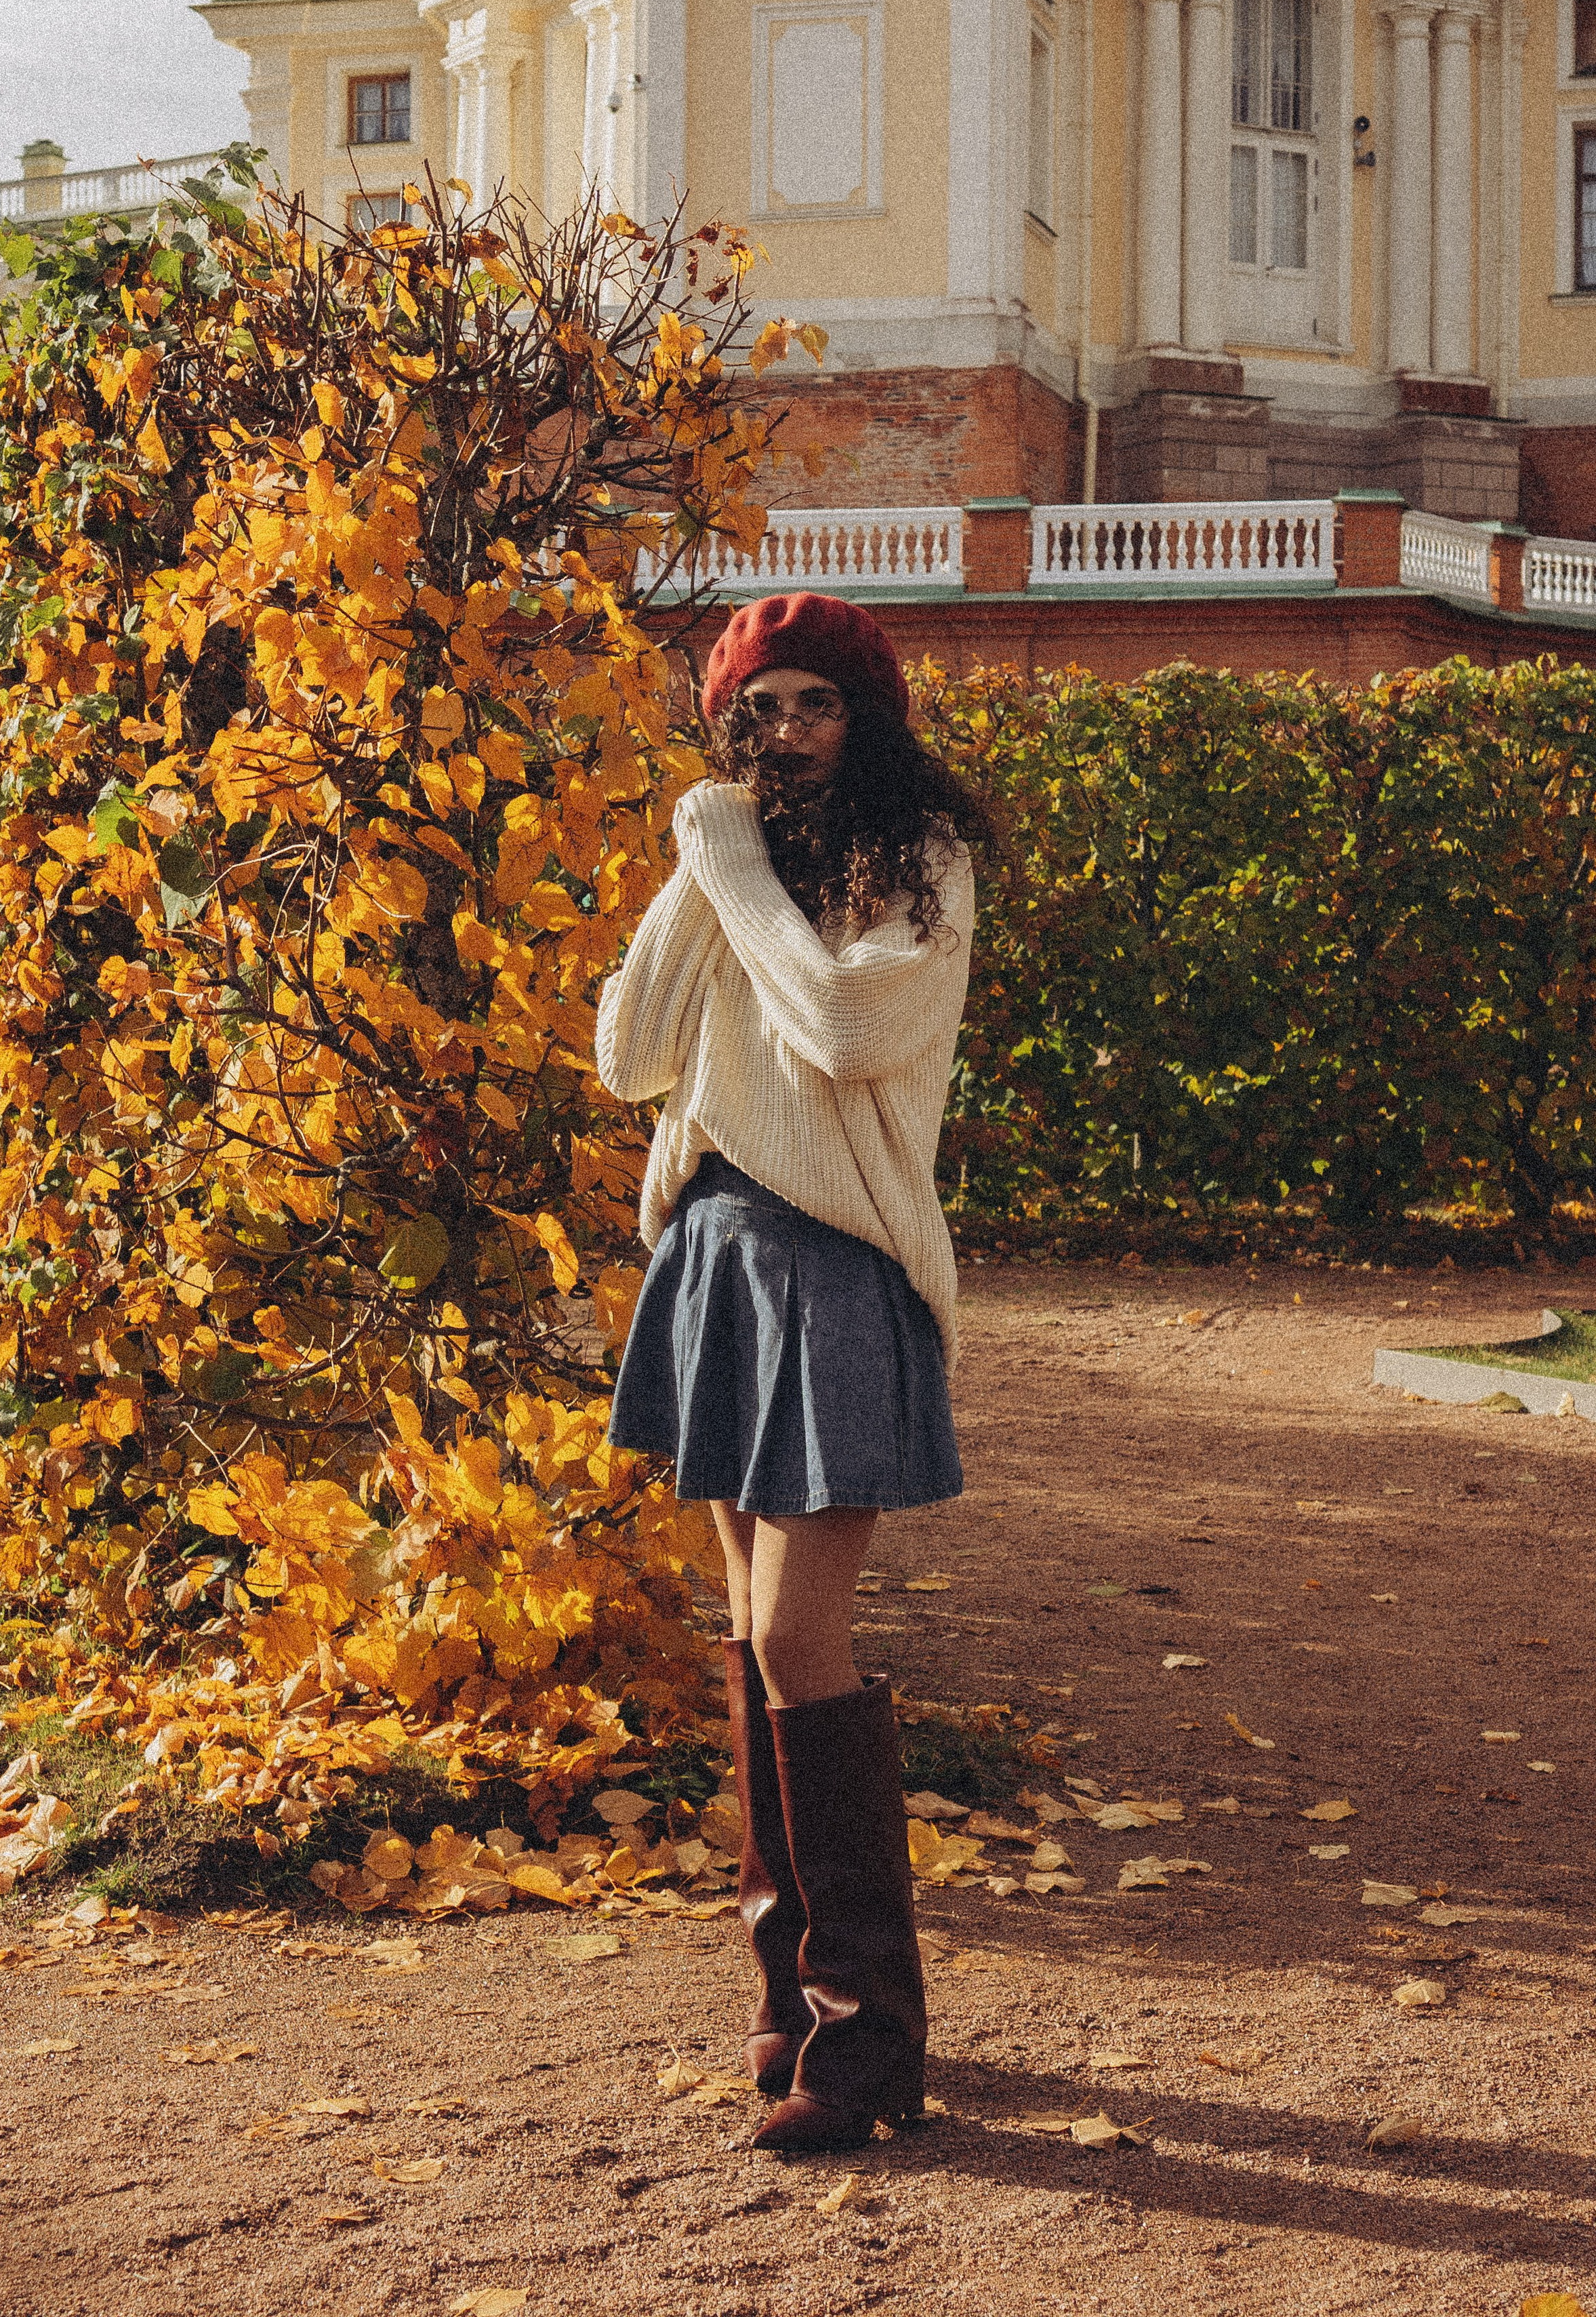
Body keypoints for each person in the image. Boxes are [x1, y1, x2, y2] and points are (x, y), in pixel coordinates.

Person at [595, 591, 991, 2156]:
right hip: (711, 1255)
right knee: (754, 1646)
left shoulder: (923, 872)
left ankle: (868, 2039)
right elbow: (630, 1052)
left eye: (812, 705)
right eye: (753, 711)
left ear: (868, 719)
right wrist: (707, 873)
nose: (780, 736)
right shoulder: (733, 861)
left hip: (840, 1267)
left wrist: (729, 866)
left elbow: (832, 1022)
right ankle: (788, 2001)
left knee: (799, 1636)